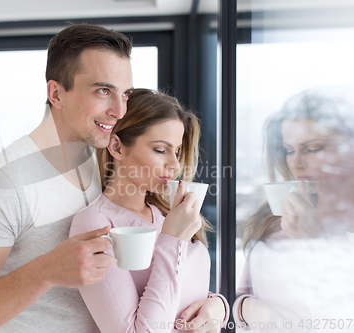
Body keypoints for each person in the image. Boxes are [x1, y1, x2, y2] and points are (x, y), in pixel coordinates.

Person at [0, 23, 135, 333]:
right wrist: (46, 271)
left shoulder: (103, 159)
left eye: (126, 94)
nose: (119, 110)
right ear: (56, 93)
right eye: (103, 91)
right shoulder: (2, 184)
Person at [70, 89, 230, 333]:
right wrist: (173, 239)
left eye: (176, 151)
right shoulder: (97, 223)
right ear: (117, 147)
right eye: (160, 149)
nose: (175, 164)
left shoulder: (166, 213)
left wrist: (218, 305)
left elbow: (180, 292)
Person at [232, 87, 354, 332]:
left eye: (313, 148)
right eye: (289, 150)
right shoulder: (272, 213)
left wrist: (315, 241)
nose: (296, 162)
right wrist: (250, 311)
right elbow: (242, 295)